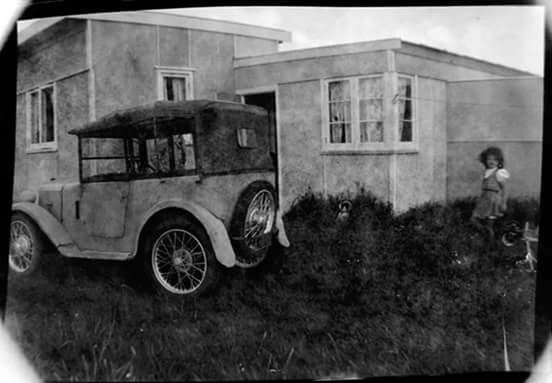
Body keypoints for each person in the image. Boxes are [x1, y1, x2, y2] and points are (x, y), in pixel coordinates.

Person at [471, 146, 510, 242]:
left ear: (499, 161)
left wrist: (503, 202)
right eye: (489, 159)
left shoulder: (499, 173)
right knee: (474, 219)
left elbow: (505, 188)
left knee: (489, 224)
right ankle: (484, 233)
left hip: (493, 199)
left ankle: (490, 245)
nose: (492, 161)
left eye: (495, 159)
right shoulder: (486, 172)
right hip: (484, 198)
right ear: (485, 160)